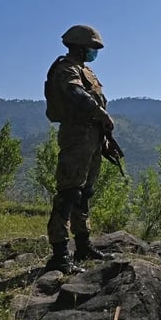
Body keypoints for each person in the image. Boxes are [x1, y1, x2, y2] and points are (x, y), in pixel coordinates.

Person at [43, 24, 114, 274]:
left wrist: (103, 136)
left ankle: (83, 244)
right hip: (76, 135)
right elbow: (76, 94)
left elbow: (91, 98)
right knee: (69, 193)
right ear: (81, 46)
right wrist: (101, 114)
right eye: (92, 48)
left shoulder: (87, 71)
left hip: (92, 137)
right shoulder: (66, 69)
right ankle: (60, 255)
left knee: (85, 194)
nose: (94, 52)